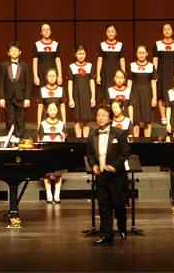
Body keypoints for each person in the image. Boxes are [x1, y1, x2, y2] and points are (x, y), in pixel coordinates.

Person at [86, 104, 130, 245]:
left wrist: (114, 166)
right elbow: (89, 154)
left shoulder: (119, 133)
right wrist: (93, 165)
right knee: (103, 206)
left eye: (103, 115)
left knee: (118, 204)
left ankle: (122, 228)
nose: (100, 118)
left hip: (116, 176)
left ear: (110, 118)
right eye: (98, 115)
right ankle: (106, 234)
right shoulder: (92, 135)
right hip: (101, 175)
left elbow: (125, 153)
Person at [0, 42, 31, 141]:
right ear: (8, 53)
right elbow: (1, 82)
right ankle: (10, 140)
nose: (14, 52)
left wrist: (27, 98)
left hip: (21, 96)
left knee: (20, 120)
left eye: (16, 50)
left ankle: (19, 139)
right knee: (9, 119)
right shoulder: (3, 65)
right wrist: (2, 98)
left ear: (20, 52)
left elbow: (28, 83)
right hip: (8, 96)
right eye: (12, 50)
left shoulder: (25, 66)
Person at [152, 23, 174, 126]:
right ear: (162, 32)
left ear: (172, 31)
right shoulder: (157, 44)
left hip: (173, 73)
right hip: (161, 73)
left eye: (169, 29)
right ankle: (163, 117)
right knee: (162, 96)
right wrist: (154, 74)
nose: (167, 31)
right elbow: (155, 60)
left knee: (173, 94)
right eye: (165, 29)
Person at [38, 102, 66, 203]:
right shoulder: (43, 124)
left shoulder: (61, 124)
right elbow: (40, 139)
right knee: (47, 174)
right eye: (50, 109)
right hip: (47, 151)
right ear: (46, 111)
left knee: (58, 174)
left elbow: (64, 137)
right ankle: (49, 194)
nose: (53, 112)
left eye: (54, 109)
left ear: (57, 110)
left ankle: (57, 194)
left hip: (58, 151)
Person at [127, 45, 157, 137]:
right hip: (135, 93)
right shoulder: (132, 65)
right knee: (135, 118)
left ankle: (147, 141)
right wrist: (128, 95)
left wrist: (154, 97)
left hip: (147, 94)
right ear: (136, 54)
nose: (141, 55)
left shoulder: (151, 66)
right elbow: (129, 81)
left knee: (147, 120)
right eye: (139, 53)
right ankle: (135, 141)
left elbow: (153, 82)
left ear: (147, 53)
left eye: (143, 53)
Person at [67, 45, 96, 138]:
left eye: (83, 53)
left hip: (87, 95)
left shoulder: (89, 66)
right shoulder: (71, 67)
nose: (81, 56)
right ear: (75, 54)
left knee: (86, 119)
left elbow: (92, 82)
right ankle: (79, 140)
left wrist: (93, 97)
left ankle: (86, 140)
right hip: (76, 95)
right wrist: (71, 98)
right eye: (79, 54)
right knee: (77, 119)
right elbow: (70, 83)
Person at [32, 24, 63, 97]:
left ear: (51, 31)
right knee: (41, 95)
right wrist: (35, 76)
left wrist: (59, 75)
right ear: (41, 32)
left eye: (48, 30)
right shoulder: (37, 44)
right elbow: (35, 61)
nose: (46, 31)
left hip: (53, 73)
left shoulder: (55, 44)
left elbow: (58, 60)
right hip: (41, 73)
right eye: (44, 30)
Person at [96, 24, 126, 99]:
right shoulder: (102, 45)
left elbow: (122, 61)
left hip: (116, 72)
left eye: (112, 31)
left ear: (116, 33)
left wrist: (123, 75)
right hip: (105, 72)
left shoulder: (120, 45)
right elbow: (99, 61)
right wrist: (98, 75)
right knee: (106, 93)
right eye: (108, 31)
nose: (111, 33)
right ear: (105, 33)